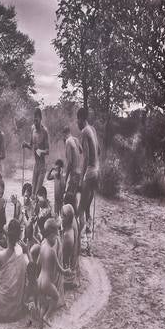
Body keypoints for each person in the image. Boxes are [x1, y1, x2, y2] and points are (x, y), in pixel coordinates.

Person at [0, 221, 29, 322]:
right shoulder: (20, 251)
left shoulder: (0, 256)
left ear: (6, 236)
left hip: (3, 305)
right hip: (16, 306)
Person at [77, 106, 101, 255]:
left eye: (77, 120)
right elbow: (98, 151)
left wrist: (81, 178)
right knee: (87, 207)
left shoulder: (84, 131)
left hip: (90, 173)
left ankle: (83, 245)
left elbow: (85, 157)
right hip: (97, 172)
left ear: (81, 119)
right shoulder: (93, 129)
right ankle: (89, 241)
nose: (77, 123)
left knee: (80, 209)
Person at [23, 108, 49, 200]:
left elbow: (48, 151)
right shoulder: (32, 128)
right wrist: (26, 145)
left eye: (37, 120)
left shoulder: (44, 131)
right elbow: (31, 145)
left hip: (42, 166)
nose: (35, 122)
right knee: (32, 193)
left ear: (40, 119)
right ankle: (32, 213)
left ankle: (40, 210)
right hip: (36, 165)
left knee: (38, 193)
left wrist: (40, 151)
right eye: (34, 120)